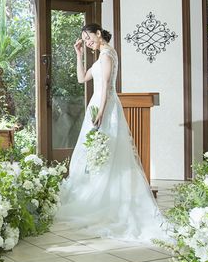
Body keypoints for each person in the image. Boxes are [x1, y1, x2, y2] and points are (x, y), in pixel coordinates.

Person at [53, 23, 166, 242]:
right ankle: (97, 192)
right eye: (85, 41)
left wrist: (101, 112)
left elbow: (105, 86)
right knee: (95, 151)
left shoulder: (106, 55)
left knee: (104, 150)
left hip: (105, 107)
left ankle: (104, 198)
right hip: (98, 105)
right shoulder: (102, 55)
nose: (88, 43)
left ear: (98, 33)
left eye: (89, 38)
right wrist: (79, 55)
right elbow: (82, 79)